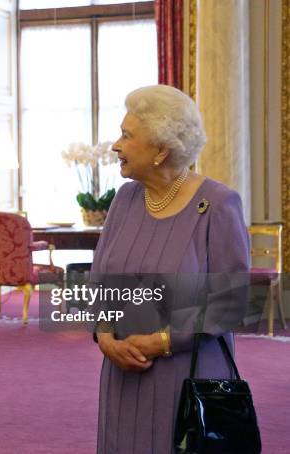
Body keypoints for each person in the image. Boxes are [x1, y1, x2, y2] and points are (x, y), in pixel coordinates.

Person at [91, 85, 249, 453]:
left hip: (187, 377)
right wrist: (103, 335)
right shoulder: (124, 199)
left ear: (161, 150)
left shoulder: (218, 204)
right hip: (121, 374)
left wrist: (160, 342)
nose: (116, 145)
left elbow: (231, 300)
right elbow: (99, 282)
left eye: (127, 136)